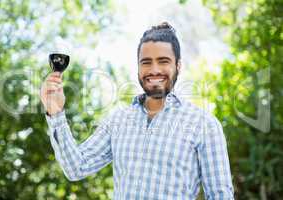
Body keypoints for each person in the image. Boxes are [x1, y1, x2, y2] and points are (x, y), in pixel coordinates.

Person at [40, 22, 234, 199]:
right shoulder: (117, 121)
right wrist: (56, 113)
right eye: (146, 62)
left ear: (178, 66)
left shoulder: (204, 125)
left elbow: (220, 195)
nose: (154, 69)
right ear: (138, 67)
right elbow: (76, 168)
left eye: (164, 61)